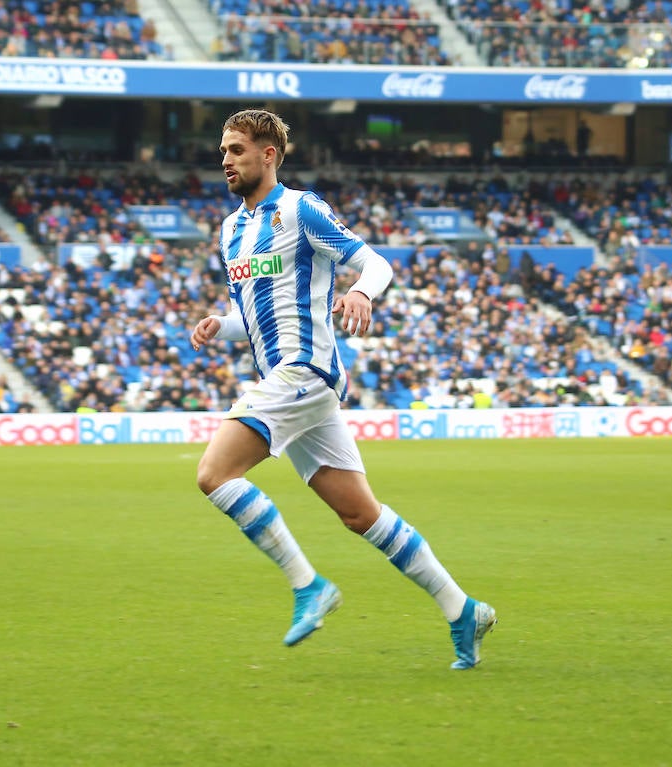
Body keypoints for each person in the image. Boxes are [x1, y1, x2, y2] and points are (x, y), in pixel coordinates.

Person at [189, 109, 496, 670]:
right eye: (223, 151)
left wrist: (363, 294)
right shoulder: (231, 230)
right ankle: (463, 609)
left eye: (236, 150)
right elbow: (251, 313)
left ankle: (307, 585)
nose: (226, 160)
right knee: (361, 515)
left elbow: (374, 263)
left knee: (214, 474)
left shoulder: (301, 209)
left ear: (268, 155)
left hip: (304, 370)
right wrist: (221, 323)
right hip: (288, 381)